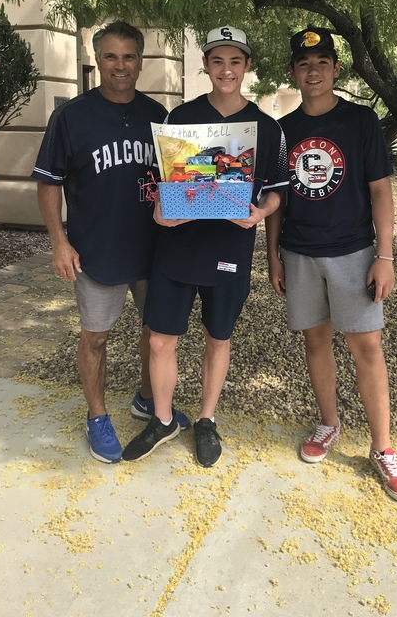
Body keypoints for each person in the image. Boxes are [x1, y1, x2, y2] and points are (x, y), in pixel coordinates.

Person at [122, 26, 288, 467]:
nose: (227, 70)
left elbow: (276, 192)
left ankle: (206, 419)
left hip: (230, 247)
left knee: (218, 338)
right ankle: (162, 419)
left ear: (247, 66)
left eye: (235, 61)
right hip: (177, 244)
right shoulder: (179, 118)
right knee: (160, 340)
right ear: (206, 65)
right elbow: (164, 181)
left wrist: (258, 214)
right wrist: (161, 208)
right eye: (218, 61)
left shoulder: (267, 128)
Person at [265, 25, 397, 503]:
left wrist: (385, 256)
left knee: (367, 346)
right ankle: (328, 424)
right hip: (300, 251)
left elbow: (380, 191)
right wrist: (273, 257)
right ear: (293, 71)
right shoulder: (282, 131)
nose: (313, 72)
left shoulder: (361, 122)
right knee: (316, 340)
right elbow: (277, 201)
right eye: (304, 65)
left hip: (353, 251)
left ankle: (382, 447)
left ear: (336, 70)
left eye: (322, 64)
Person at [32, 21, 190, 465]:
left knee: (155, 334)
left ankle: (145, 398)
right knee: (96, 338)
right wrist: (59, 242)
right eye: (110, 56)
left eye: (129, 57)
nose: (120, 65)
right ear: (97, 59)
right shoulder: (71, 116)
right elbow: (49, 183)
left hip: (154, 249)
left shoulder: (160, 117)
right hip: (96, 249)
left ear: (141, 61)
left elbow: (182, 181)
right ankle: (98, 416)